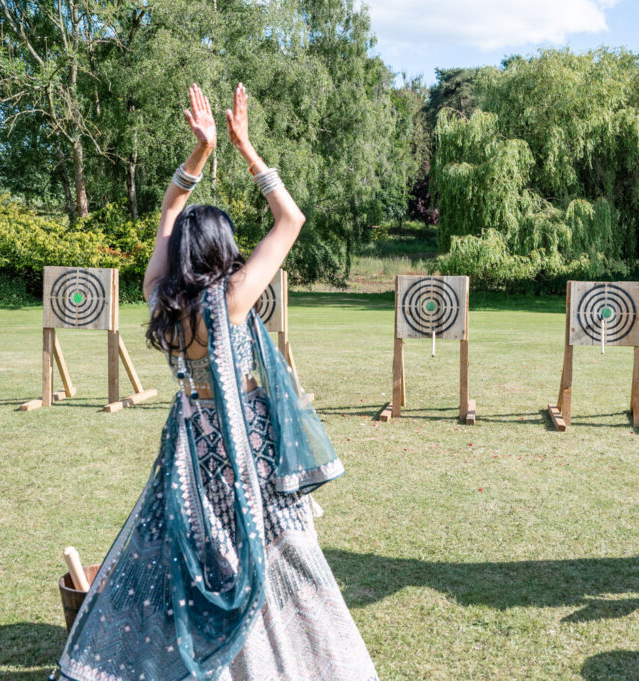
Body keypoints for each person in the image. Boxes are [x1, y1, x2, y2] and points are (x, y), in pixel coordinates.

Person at [55, 84, 379, 681]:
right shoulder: (229, 300)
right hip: (244, 446)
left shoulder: (162, 300)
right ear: (224, 249)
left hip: (188, 443)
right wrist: (247, 150)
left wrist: (200, 155)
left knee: (208, 555)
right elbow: (292, 219)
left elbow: (168, 216)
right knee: (281, 553)